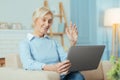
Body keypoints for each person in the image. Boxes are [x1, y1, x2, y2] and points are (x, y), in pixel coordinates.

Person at [19, 7, 84, 80]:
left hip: (62, 76)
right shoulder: (25, 43)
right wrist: (51, 68)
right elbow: (27, 63)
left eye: (49, 21)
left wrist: (73, 43)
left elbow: (65, 59)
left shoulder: (54, 42)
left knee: (78, 76)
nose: (47, 24)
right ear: (35, 20)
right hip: (45, 76)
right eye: (43, 20)